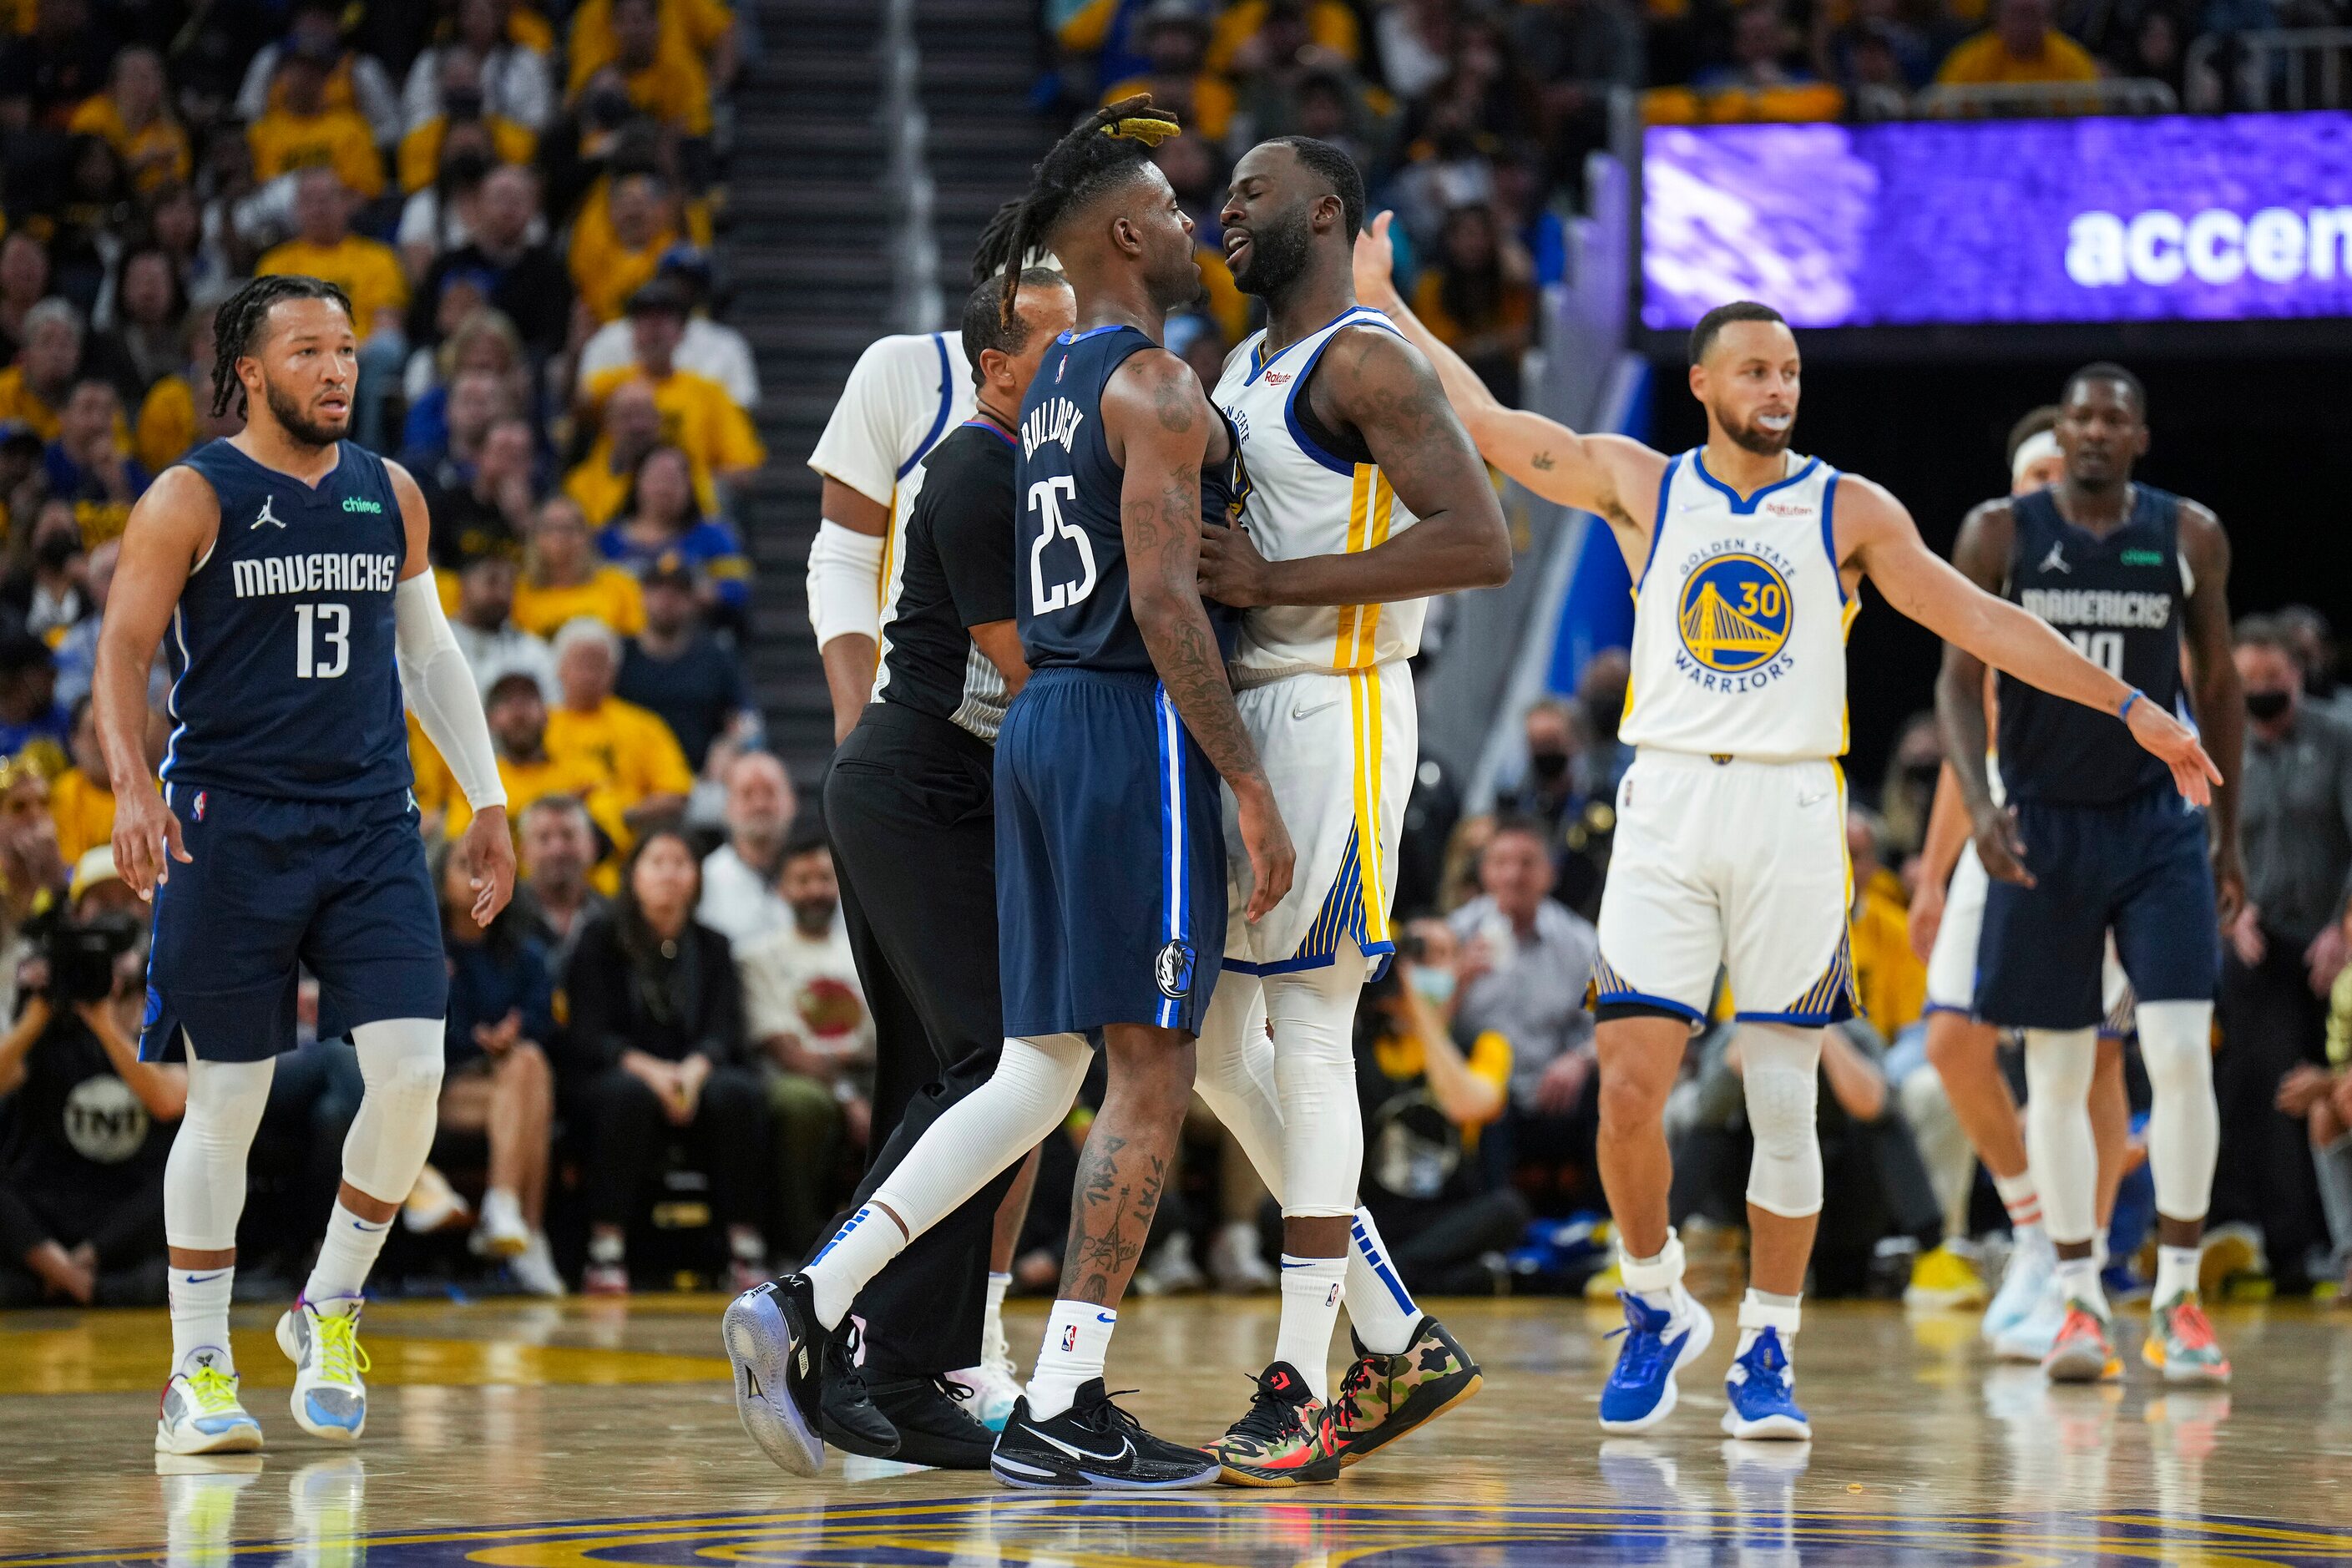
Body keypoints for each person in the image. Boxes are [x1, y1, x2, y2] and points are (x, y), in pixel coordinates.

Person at [1359, 225, 2218, 1439]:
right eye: (1753, 369)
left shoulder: (1848, 508)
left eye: (1791, 372)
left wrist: (2134, 707)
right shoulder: (1638, 480)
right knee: (1628, 1089)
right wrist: (1390, 303)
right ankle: (1655, 1301)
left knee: (1781, 1099)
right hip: (1665, 802)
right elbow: (1494, 427)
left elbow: (1983, 621)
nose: (1776, 388)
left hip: (1793, 810)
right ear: (1703, 382)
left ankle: (1768, 1339)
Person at [729, 98, 1292, 1491]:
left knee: (1031, 1068)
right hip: (1121, 725)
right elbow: (1161, 600)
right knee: (1149, 1071)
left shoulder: (1033, 400)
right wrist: (1245, 775)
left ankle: (808, 1300)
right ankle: (1064, 1396)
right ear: (1118, 232)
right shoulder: (1150, 387)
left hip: (1031, 740)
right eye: (1165, 205)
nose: (1187, 219)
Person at [93, 273, 515, 1454]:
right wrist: (133, 783)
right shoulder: (191, 495)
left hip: (374, 821)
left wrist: (487, 797)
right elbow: (123, 653)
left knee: (413, 1074)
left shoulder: (392, 491)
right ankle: (198, 1370)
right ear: (249, 370)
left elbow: (428, 657)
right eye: (309, 351)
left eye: (347, 349)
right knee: (228, 1098)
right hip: (232, 823)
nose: (338, 369)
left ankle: (329, 1301)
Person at [1185, 131, 1511, 1485]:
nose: (1225, 211)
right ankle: (1390, 1330)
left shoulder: (1366, 357)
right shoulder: (1242, 363)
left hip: (1342, 703)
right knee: (1207, 1046)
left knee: (1310, 1029)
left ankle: (1302, 1382)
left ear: (1324, 212)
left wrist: (1273, 588)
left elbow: (1482, 540)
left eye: (1248, 193)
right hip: (1250, 715)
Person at [732, 269, 1072, 1475]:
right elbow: (1031, 667)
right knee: (1001, 1061)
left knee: (956, 1073)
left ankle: (907, 1360)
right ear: (993, 362)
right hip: (912, 779)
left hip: (953, 791)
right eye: (1055, 341)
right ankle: (815, 1312)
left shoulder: (1043, 461)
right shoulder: (976, 461)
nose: (1076, 359)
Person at [1939, 363, 2241, 1387]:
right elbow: (1955, 681)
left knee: (2179, 1052)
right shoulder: (2000, 532)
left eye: (2114, 419)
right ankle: (2075, 1300)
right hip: (2045, 825)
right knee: (2056, 1072)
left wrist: (2229, 835)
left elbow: (2222, 682)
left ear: (2141, 437)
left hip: (2158, 825)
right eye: (2080, 419)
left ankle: (2181, 1296)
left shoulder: (2187, 532)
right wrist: (1981, 811)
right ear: (2059, 435)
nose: (2095, 433)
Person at [1908, 403, 2132, 1351]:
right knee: (1954, 1039)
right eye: (2031, 480)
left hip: (2115, 822)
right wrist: (1931, 873)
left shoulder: (2134, 571)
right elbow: (1977, 735)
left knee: (2090, 1061)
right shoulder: (1992, 580)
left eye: (2058, 478)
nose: (2046, 493)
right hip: (2009, 817)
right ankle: (2037, 1233)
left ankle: (2085, 1269)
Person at [561, 828, 768, 1295]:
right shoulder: (599, 939)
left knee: (737, 1092)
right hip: (621, 1073)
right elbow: (588, 1033)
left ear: (696, 877)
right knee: (625, 1096)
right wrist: (653, 1072)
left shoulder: (714, 945)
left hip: (695, 1072)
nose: (669, 874)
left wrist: (694, 1069)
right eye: (657, 862)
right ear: (632, 875)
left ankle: (744, 1241)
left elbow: (725, 1028)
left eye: (680, 863)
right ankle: (606, 1245)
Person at [2213, 615, 2352, 1292]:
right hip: (2256, 942)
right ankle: (2285, 1249)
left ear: (2297, 674)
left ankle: (2340, 1241)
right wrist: (2228, 913)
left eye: (2272, 678)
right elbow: (2204, 845)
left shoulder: (2337, 737)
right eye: (2247, 681)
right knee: (2269, 1087)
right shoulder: (2223, 744)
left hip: (2334, 939)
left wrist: (2343, 928)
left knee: (2333, 1079)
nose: (2261, 691)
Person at [0, 847, 183, 1307]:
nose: (115, 915)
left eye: (127, 899)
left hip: (124, 1219)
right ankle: (62, 1274)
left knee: (193, 1171)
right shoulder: (43, 991)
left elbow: (168, 1099)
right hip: (45, 1208)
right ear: (77, 913)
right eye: (100, 902)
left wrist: (103, 1020)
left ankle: (66, 1279)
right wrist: (37, 1015)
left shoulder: (173, 990)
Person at [1353, 918, 1530, 1294]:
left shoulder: (1485, 1043)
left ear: (1461, 968)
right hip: (1372, 1213)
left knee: (1507, 1210)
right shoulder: (1358, 1041)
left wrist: (1423, 1014)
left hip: (1444, 1214)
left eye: (1443, 955)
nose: (1426, 967)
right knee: (1275, 1216)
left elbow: (1466, 1104)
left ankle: (1376, 1281)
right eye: (1417, 955)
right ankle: (1447, 1278)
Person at [1447, 817, 1601, 1206]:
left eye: (1527, 863)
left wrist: (1579, 1059)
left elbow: (1610, 1027)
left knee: (1608, 1084)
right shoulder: (1454, 935)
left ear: (1549, 874)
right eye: (1501, 863)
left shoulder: (1579, 941)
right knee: (1480, 1092)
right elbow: (1422, 1029)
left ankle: (1596, 1227)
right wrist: (1459, 979)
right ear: (1485, 872)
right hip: (1481, 1093)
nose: (1514, 875)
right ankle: (1488, 1231)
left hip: (1552, 1090)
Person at [432, 837, 563, 1296]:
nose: (475, 880)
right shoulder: (426, 946)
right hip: (440, 1089)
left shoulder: (524, 951)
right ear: (439, 880)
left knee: (530, 1063)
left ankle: (504, 1209)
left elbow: (544, 1022)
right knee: (533, 1087)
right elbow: (420, 1031)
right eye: (463, 868)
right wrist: (476, 1040)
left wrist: (513, 1034)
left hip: (504, 1087)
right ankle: (530, 1232)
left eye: (486, 869)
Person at [736, 828, 873, 1260]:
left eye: (823, 879)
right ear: (782, 889)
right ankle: (798, 1248)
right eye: (802, 880)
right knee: (803, 1105)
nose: (815, 890)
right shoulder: (757, 957)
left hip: (866, 1074)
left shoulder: (866, 951)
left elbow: (880, 1042)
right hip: (794, 1078)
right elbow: (784, 1050)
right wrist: (847, 1095)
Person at [545, 616, 692, 832]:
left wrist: (620, 817)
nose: (588, 675)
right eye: (580, 664)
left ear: (613, 671)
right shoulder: (539, 727)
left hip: (628, 847)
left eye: (597, 665)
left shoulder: (644, 726)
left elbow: (676, 794)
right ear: (559, 668)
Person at [615, 554, 751, 773]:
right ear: (641, 596)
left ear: (693, 600)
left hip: (700, 778)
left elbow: (744, 717)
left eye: (678, 591)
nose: (666, 599)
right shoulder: (620, 654)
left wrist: (732, 744)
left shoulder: (715, 656)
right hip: (631, 778)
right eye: (657, 590)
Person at [696, 751, 797, 946]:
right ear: (726, 806)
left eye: (770, 792)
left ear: (792, 801)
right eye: (747, 794)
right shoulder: (704, 880)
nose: (760, 805)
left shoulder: (822, 878)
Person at [513, 496, 645, 640]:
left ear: (587, 535)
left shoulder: (620, 584)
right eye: (550, 527)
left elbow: (637, 643)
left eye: (570, 528)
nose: (560, 536)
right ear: (535, 537)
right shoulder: (519, 591)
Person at [517, 793, 609, 973]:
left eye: (568, 836)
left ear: (592, 846)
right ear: (523, 851)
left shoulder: (616, 921)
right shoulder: (501, 920)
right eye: (544, 838)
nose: (557, 850)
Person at [1935, 0, 2100, 85]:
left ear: (2048, 20)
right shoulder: (1968, 61)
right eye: (2018, 15)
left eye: (2032, 15)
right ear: (1999, 19)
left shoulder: (2072, 60)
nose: (2024, 25)